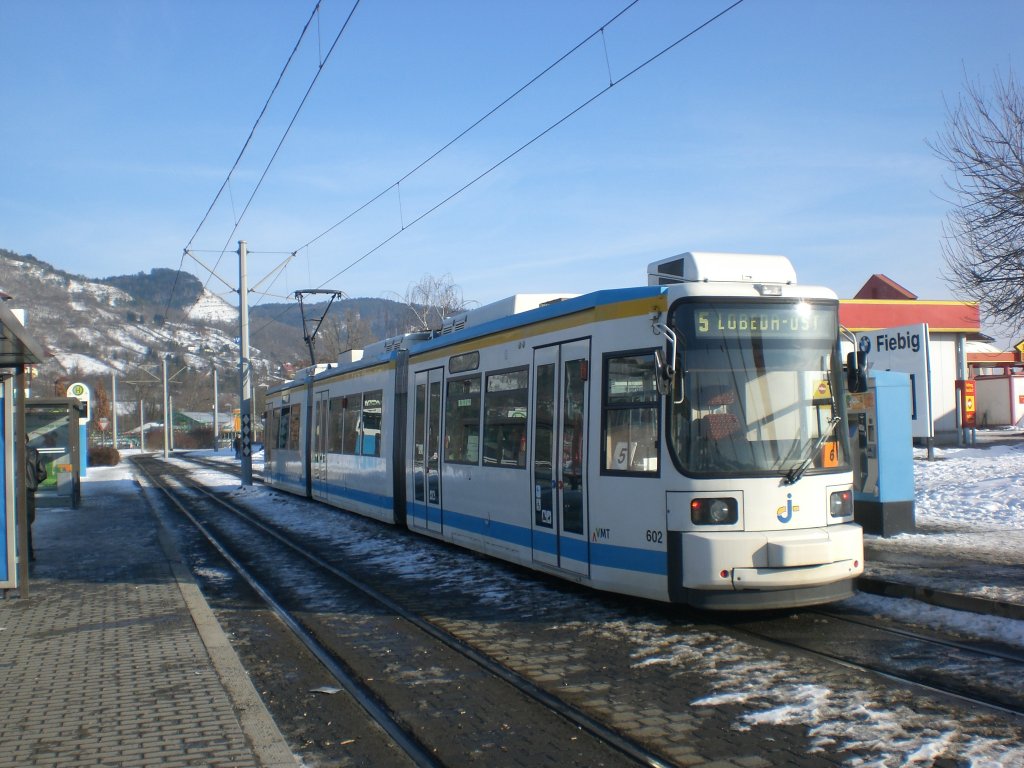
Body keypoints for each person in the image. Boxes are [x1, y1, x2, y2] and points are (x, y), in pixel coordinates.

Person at [24, 439, 47, 561]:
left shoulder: (9, 452)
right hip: (28, 492)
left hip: (12, 492)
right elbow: (43, 473)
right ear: (26, 440)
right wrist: (33, 481)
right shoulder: (33, 452)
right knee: (27, 522)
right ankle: (28, 553)